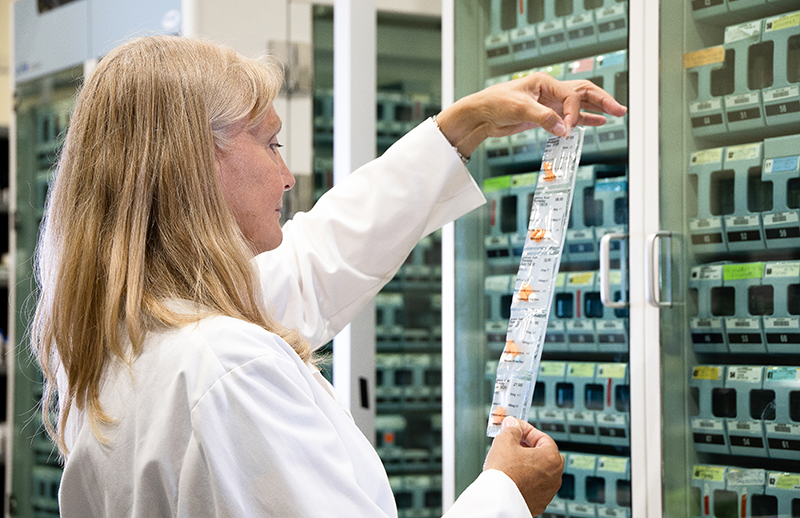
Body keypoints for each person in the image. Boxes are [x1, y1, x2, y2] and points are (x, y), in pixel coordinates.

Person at [32, 35, 626, 517]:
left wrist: (464, 125)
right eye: (270, 143)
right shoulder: (226, 366)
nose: (287, 177)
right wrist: (506, 495)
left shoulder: (126, 339)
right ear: (194, 166)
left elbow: (320, 258)